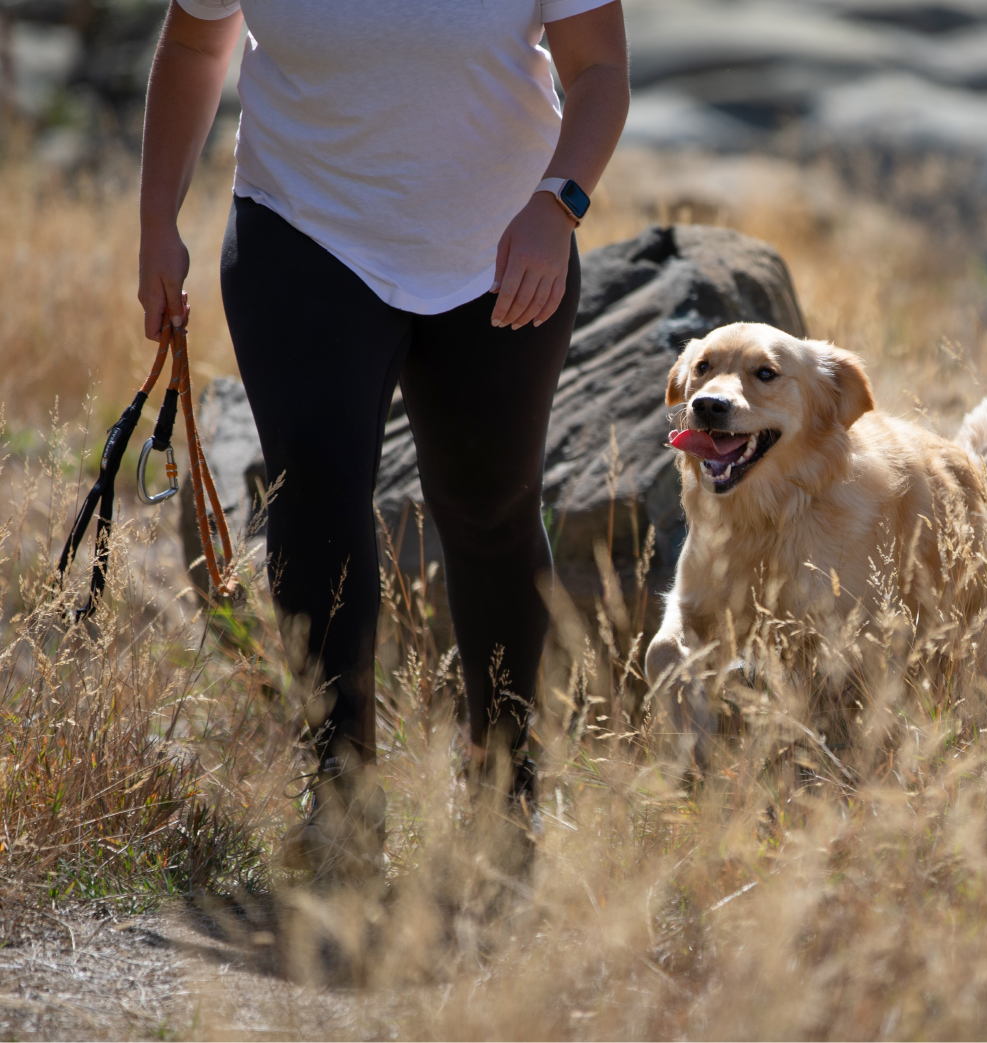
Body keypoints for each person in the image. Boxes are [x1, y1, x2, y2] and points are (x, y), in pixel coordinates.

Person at [139, 0, 629, 872]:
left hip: (504, 247)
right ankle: (339, 791)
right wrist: (156, 226)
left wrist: (559, 207)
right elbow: (193, 39)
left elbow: (598, 72)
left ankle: (506, 785)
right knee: (316, 486)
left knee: (490, 509)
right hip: (303, 229)